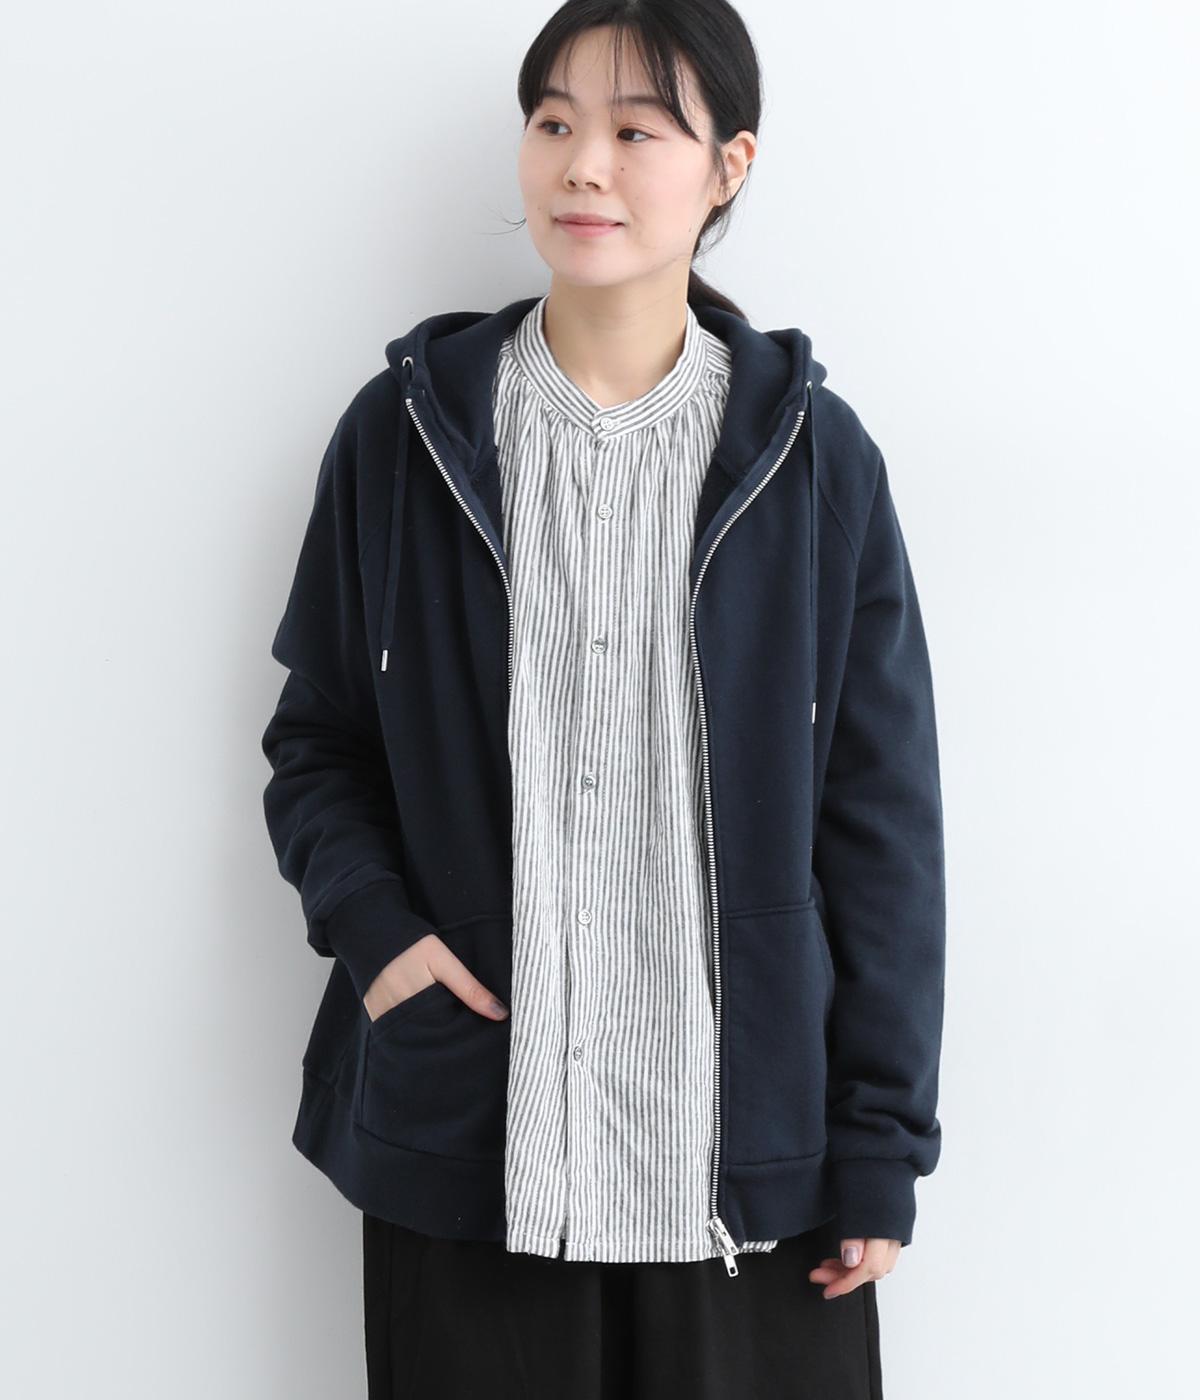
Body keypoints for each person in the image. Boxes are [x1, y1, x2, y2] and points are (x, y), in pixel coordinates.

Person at [260, 2, 946, 1396]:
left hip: (749, 1168)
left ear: (730, 165)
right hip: (477, 1139)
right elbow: (317, 742)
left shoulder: (816, 461)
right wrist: (379, 937)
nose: (584, 165)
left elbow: (881, 826)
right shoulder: (404, 439)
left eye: (639, 131)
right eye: (555, 122)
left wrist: (881, 1139)